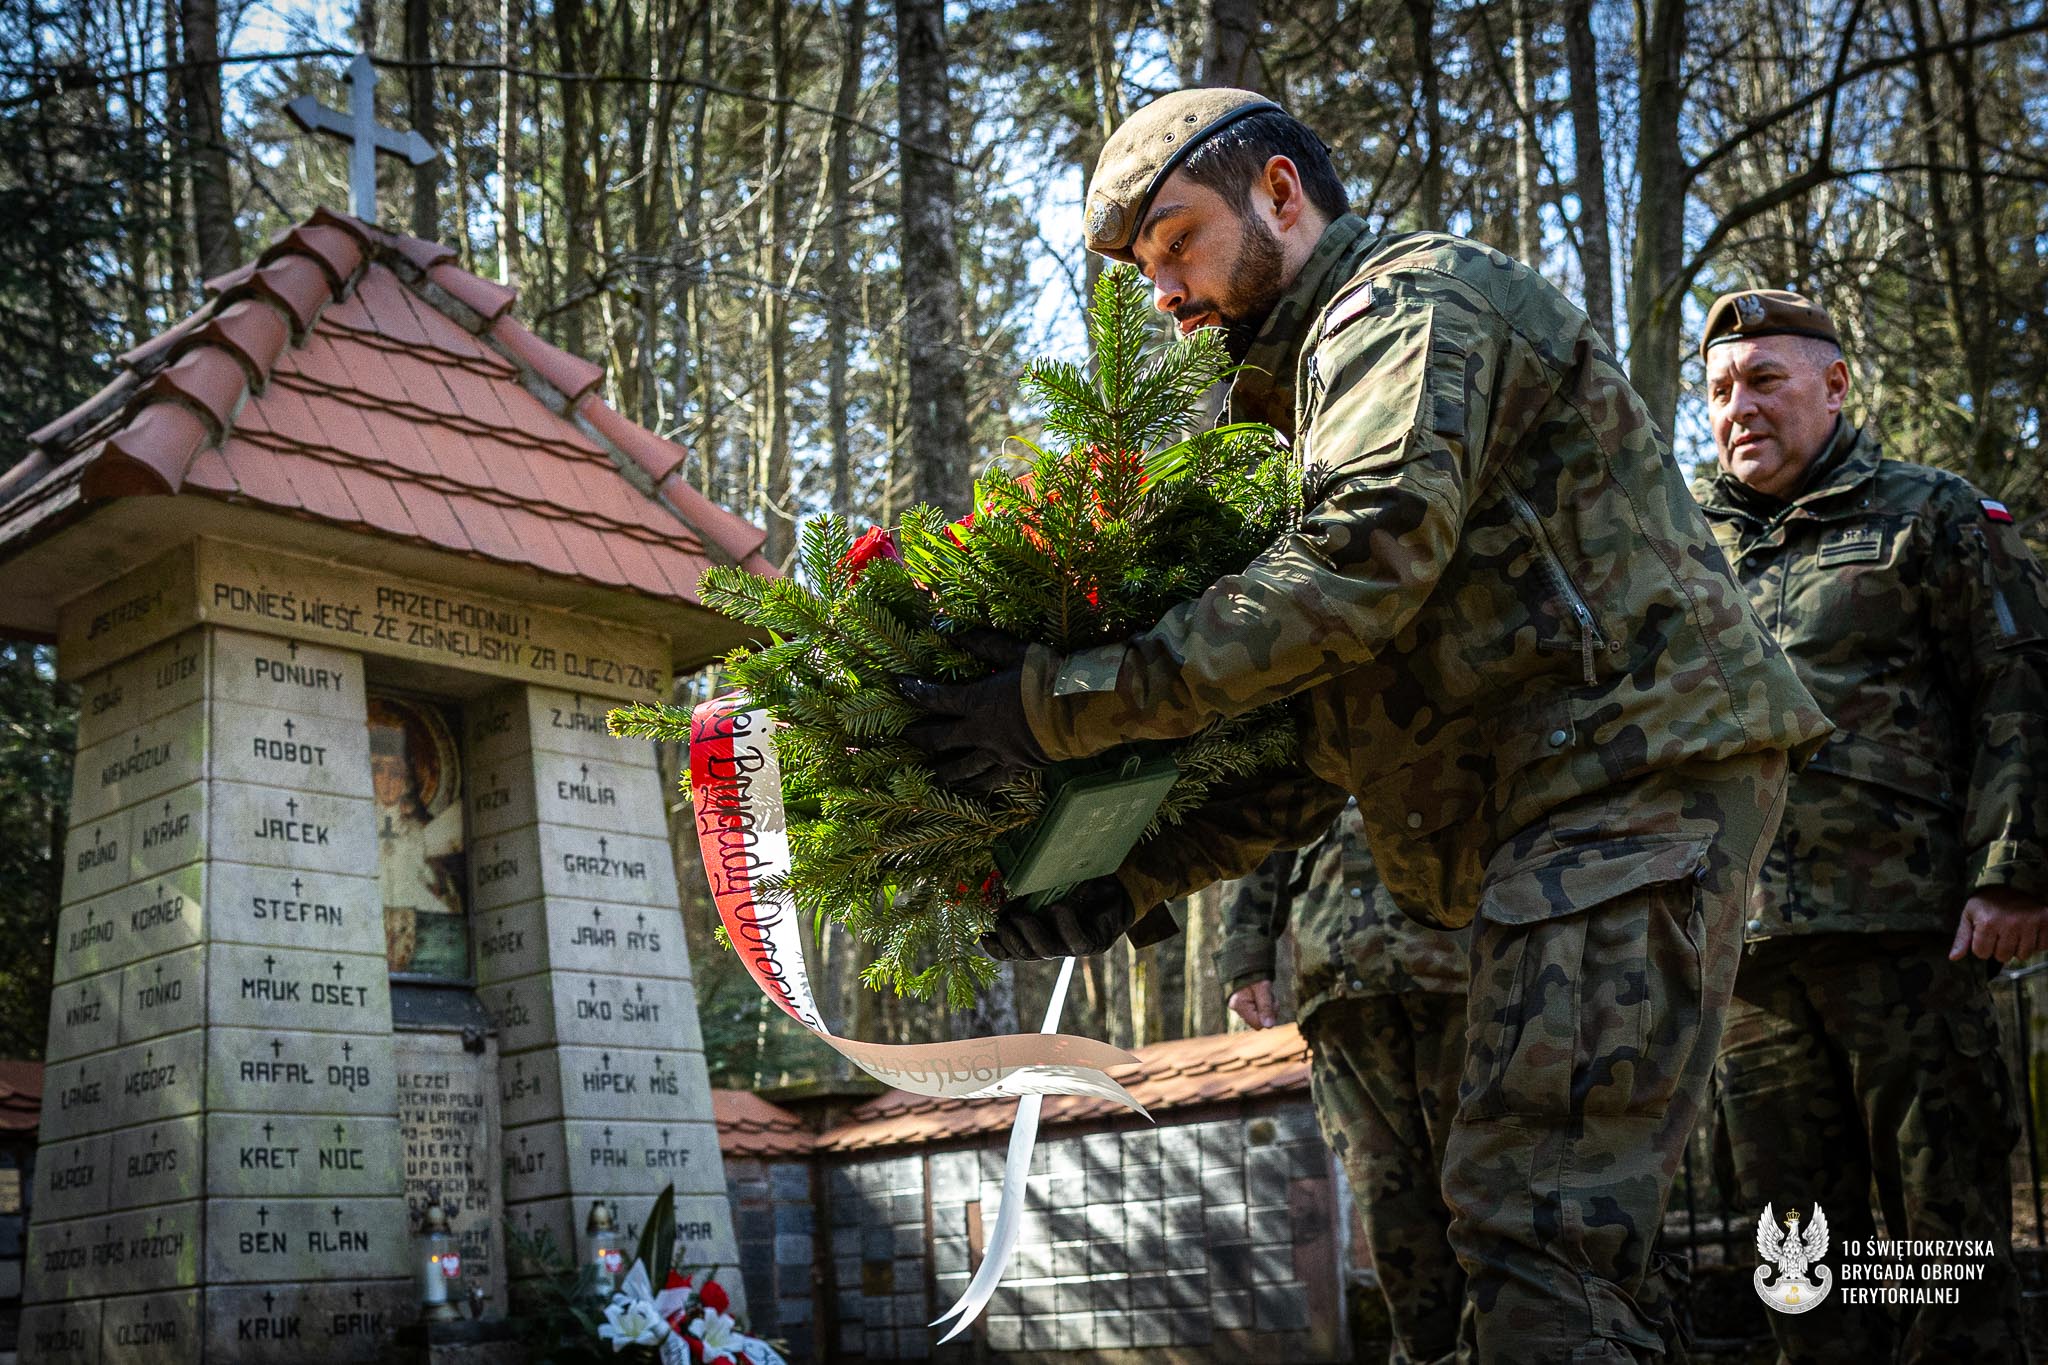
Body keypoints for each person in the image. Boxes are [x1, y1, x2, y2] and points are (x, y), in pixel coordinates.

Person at [903, 88, 1832, 1361]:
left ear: (1279, 194)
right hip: (1571, 803)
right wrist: (1130, 870)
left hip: (1629, 781)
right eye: (1137, 268)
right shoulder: (1301, 395)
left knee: (1532, 1236)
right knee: (1525, 1242)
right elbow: (1332, 729)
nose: (1159, 292)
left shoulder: (1402, 304)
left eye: (1174, 241)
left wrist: (1053, 705)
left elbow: (1357, 564)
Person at [1691, 288, 2048, 1363]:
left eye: (1762, 380)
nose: (1736, 409)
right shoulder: (1680, 553)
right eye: (1716, 392)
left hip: (1911, 939)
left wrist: (2015, 872)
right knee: (1800, 1275)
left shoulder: (1927, 513)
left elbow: (2015, 689)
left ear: (1833, 384)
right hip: (1747, 966)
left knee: (1942, 1263)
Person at [1223, 801, 1468, 1364]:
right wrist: (1245, 955)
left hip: (1460, 964)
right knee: (1389, 1209)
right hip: (1337, 982)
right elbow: (1269, 820)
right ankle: (1428, 1354)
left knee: (1485, 1189)